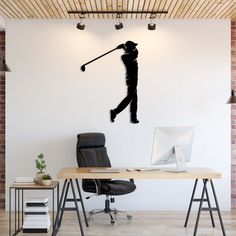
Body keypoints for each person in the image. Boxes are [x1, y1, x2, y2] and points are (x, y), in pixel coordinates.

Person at [110, 41, 139, 124]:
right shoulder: (125, 57)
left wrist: (123, 47)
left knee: (134, 99)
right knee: (130, 97)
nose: (134, 48)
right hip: (131, 80)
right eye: (133, 47)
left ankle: (133, 118)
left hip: (133, 79)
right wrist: (123, 47)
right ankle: (115, 111)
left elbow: (134, 51)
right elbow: (136, 53)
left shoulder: (128, 54)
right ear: (129, 49)